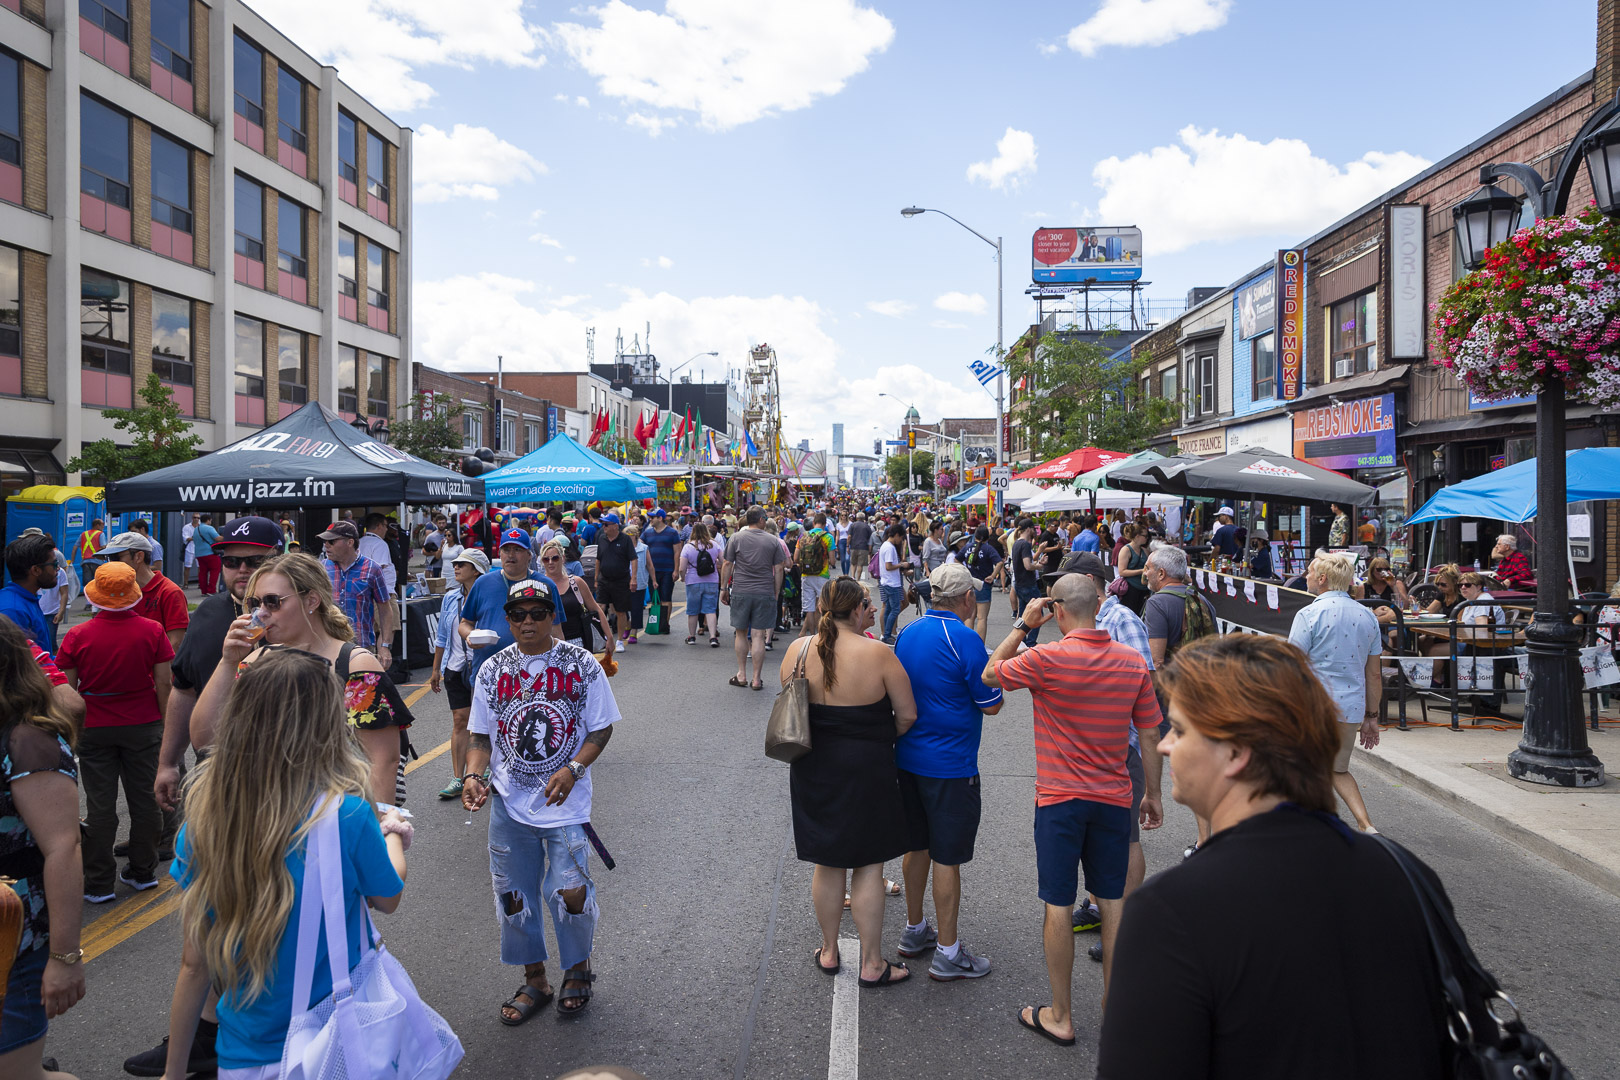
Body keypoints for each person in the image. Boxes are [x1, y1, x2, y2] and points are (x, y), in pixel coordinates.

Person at [1098, 634, 1459, 1079]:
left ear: (1235, 752)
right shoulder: (1406, 872)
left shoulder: (1171, 910)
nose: (1165, 745)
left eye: (1181, 729)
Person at [160, 650, 409, 1080]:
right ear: (325, 726)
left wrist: (173, 1071)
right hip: (338, 1040)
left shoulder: (203, 825)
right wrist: (393, 834)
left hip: (245, 1051)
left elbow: (195, 964)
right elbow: (388, 897)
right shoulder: (346, 815)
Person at [982, 573, 1162, 1045]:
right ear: (1098, 607)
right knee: (1113, 904)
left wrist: (1023, 623)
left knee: (1058, 904)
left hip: (1061, 800)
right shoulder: (1130, 663)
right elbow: (1148, 734)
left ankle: (1061, 1015)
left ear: (1057, 611)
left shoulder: (1047, 658)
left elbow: (988, 674)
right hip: (1112, 796)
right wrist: (1154, 794)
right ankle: (1115, 1011)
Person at [461, 580, 620, 1023]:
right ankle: (536, 979)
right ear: (508, 619)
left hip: (564, 804)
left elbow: (601, 728)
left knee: (570, 891)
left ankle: (577, 968)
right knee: (514, 897)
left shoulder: (581, 663)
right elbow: (479, 735)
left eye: (537, 613)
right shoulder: (492, 670)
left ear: (553, 616)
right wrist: (474, 774)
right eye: (518, 614)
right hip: (511, 806)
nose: (527, 621)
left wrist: (573, 769)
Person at [781, 577, 918, 987]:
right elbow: (907, 715)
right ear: (857, 609)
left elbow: (791, 707)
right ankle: (872, 963)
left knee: (828, 862)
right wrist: (878, 738)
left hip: (813, 766)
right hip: (868, 767)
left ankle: (828, 950)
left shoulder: (797, 649)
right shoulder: (878, 653)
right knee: (869, 865)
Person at [892, 564, 1003, 980]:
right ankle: (948, 951)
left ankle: (915, 929)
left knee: (916, 846)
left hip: (908, 759)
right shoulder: (966, 640)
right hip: (950, 766)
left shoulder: (908, 632)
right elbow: (990, 703)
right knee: (947, 857)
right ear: (967, 598)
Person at [1065, 553, 1164, 958]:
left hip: (1122, 746)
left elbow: (1147, 685)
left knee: (1126, 837)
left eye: (1068, 582)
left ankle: (1123, 928)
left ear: (1090, 581)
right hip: (1094, 746)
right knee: (1100, 836)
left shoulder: (1121, 619)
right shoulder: (1088, 620)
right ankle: (1098, 907)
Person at [0, 618, 86, 1080]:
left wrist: (64, 957)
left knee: (16, 1072)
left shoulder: (28, 740)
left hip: (15, 934)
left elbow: (63, 848)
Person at [58, 563, 174, 900]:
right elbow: (164, 683)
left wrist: (69, 733)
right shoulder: (152, 631)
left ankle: (98, 881)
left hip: (94, 728)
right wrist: (166, 727)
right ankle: (142, 870)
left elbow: (68, 693)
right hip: (143, 725)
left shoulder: (78, 636)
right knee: (145, 801)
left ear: (95, 598)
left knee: (100, 807)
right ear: (133, 595)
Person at [1288, 554, 1383, 834]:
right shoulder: (1368, 616)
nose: (1305, 576)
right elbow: (1374, 674)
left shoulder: (1308, 614)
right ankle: (1366, 825)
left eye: (1309, 572)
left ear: (1322, 579)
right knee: (1337, 769)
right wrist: (1372, 716)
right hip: (1349, 706)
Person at [429, 548, 491, 801]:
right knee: (459, 720)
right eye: (454, 564)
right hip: (455, 666)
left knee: (484, 723)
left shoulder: (488, 595)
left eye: (461, 564)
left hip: (482, 667)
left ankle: (481, 772)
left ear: (476, 570)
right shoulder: (450, 598)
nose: (455, 568)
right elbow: (442, 636)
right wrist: (435, 669)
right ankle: (458, 777)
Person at [722, 507, 788, 691]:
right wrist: (775, 593)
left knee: (742, 633)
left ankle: (741, 674)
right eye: (765, 517)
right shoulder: (773, 541)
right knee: (759, 635)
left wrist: (723, 588)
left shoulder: (736, 538)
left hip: (741, 590)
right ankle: (757, 679)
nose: (766, 520)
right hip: (764, 591)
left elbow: (727, 563)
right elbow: (780, 568)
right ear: (760, 520)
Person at [318, 520, 396, 670]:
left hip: (361, 648)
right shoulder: (322, 568)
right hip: (327, 646)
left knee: (362, 692)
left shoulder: (372, 569)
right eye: (325, 541)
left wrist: (385, 646)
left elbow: (385, 609)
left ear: (350, 542)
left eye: (331, 541)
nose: (326, 545)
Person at [96, 531, 188, 650]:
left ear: (139, 556)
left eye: (115, 557)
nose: (111, 564)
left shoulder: (169, 592)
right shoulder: (118, 589)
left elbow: (175, 642)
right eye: (108, 559)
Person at [540, 540, 609, 654]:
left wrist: (609, 637)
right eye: (546, 559)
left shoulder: (576, 582)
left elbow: (596, 609)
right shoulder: (539, 585)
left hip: (577, 643)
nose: (550, 562)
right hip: (549, 645)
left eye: (555, 558)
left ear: (563, 558)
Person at [0, 534, 58, 655]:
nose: (57, 569)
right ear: (36, 570)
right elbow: (15, 666)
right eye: (54, 564)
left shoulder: (27, 599)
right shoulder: (13, 611)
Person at [593, 514, 638, 653]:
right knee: (600, 607)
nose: (603, 527)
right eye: (603, 524)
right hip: (604, 579)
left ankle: (619, 641)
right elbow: (598, 559)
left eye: (606, 524)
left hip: (621, 580)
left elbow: (634, 559)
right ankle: (604, 637)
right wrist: (596, 578)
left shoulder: (625, 539)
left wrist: (633, 578)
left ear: (615, 526)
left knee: (620, 611)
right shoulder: (601, 538)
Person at [678, 522, 725, 647]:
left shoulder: (688, 547)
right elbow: (724, 562)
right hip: (711, 581)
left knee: (693, 611)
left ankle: (692, 636)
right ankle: (713, 637)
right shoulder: (714, 545)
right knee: (710, 610)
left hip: (693, 581)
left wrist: (683, 578)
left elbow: (682, 568)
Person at [795, 514, 836, 636]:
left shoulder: (803, 536)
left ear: (813, 523)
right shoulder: (828, 537)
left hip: (806, 575)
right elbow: (833, 561)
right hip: (822, 575)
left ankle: (811, 635)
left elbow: (795, 558)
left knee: (809, 609)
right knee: (823, 607)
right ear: (825, 525)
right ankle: (821, 634)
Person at [1009, 518, 1043, 647]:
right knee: (1037, 613)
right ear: (1028, 529)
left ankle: (1019, 639)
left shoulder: (1017, 543)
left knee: (1022, 615)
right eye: (1033, 529)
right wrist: (1038, 566)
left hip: (1019, 583)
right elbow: (1028, 565)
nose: (1034, 531)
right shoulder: (1025, 544)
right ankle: (1030, 642)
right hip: (1028, 584)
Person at [642, 509, 682, 614]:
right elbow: (639, 545)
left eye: (652, 517)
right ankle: (657, 623)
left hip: (668, 570)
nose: (650, 520)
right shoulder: (647, 533)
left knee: (666, 598)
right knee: (655, 598)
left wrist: (676, 570)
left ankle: (665, 624)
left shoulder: (672, 533)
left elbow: (677, 552)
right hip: (652, 571)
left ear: (660, 518)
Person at [877, 524, 910, 645]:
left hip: (886, 581)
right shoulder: (890, 547)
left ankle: (886, 633)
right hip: (892, 583)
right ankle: (887, 634)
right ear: (896, 535)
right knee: (895, 609)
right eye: (900, 538)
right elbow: (889, 566)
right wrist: (902, 565)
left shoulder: (885, 545)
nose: (900, 541)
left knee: (889, 609)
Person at [621, 523, 650, 644]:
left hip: (640, 581)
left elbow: (650, 565)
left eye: (630, 535)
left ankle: (634, 632)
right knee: (623, 606)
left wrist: (653, 579)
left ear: (636, 535)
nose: (627, 537)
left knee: (636, 608)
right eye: (625, 535)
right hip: (623, 580)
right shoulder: (622, 547)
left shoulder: (643, 548)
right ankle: (627, 624)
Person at [1114, 524, 1151, 616]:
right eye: (1145, 536)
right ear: (1137, 536)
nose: (1147, 538)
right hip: (1130, 589)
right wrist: (1141, 571)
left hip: (1144, 589)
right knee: (1130, 614)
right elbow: (1122, 571)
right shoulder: (1126, 550)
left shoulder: (1144, 550)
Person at [191, 514, 221, 595]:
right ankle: (211, 590)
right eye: (210, 520)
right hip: (210, 553)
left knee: (203, 572)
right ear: (208, 520)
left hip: (199, 554)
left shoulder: (196, 529)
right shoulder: (209, 528)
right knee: (215, 570)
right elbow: (217, 538)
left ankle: (203, 591)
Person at [847, 512, 874, 583]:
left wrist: (847, 546)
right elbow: (870, 537)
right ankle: (858, 579)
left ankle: (853, 576)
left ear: (857, 517)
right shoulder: (867, 526)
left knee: (853, 563)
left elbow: (849, 536)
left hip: (854, 546)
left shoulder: (853, 525)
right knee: (860, 564)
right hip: (864, 547)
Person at [181, 514, 197, 589]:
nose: (196, 519)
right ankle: (185, 583)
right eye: (195, 517)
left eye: (198, 518)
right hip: (189, 549)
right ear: (192, 518)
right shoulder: (187, 527)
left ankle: (201, 584)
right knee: (187, 567)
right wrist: (195, 537)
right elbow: (186, 538)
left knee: (201, 567)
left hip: (198, 549)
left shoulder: (201, 527)